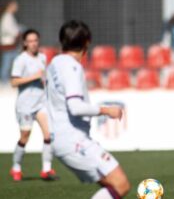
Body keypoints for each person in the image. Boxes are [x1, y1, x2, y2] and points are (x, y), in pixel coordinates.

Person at [46, 20, 130, 198]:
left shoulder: (54, 62)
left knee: (111, 185)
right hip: (73, 140)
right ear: (87, 42)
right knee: (121, 184)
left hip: (60, 138)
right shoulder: (72, 67)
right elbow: (75, 107)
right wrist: (107, 111)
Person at [9, 29, 57, 181]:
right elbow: (14, 82)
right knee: (25, 137)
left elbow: (44, 77)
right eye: (30, 41)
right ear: (25, 43)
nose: (33, 43)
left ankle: (47, 169)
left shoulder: (42, 57)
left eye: (35, 40)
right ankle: (16, 167)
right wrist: (33, 77)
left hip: (41, 103)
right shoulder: (20, 60)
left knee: (49, 134)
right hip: (25, 105)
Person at [0, 0, 21, 84]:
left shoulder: (9, 16)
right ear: (10, 6)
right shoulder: (7, 16)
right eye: (14, 6)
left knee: (12, 61)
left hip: (11, 44)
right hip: (8, 44)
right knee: (7, 62)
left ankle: (7, 78)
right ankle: (4, 79)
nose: (16, 8)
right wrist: (17, 32)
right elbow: (8, 28)